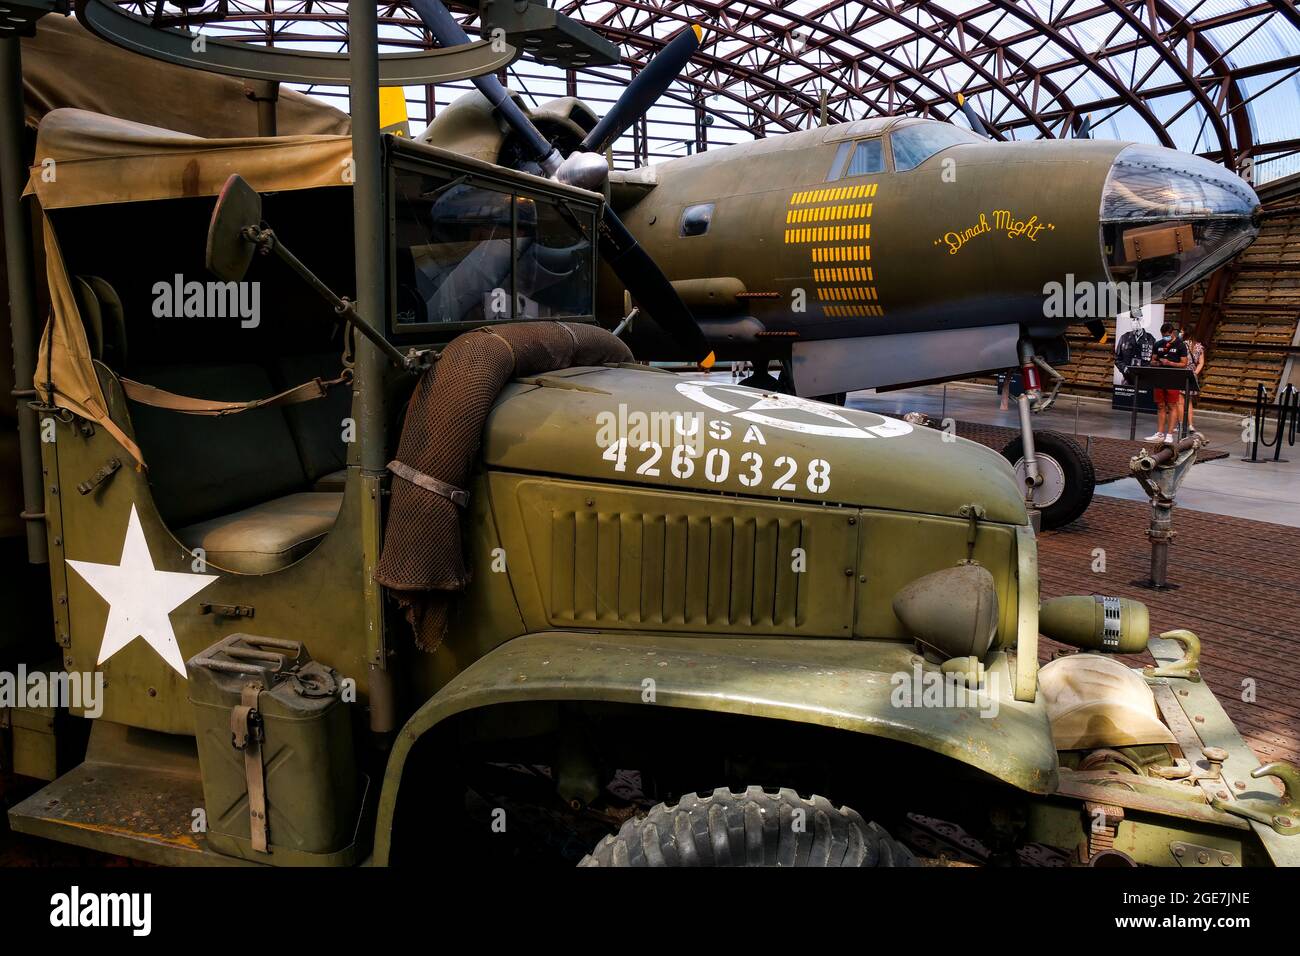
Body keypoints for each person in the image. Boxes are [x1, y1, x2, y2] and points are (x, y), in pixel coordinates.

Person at [1144, 322, 1189, 444]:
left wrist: (1170, 363)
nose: (1165, 337)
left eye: (1167, 335)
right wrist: (1158, 363)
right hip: (1159, 378)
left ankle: (1169, 434)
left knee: (1172, 405)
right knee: (1160, 406)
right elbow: (1152, 361)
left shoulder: (1180, 345)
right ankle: (1159, 433)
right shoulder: (1158, 344)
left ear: (1173, 333)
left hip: (1173, 378)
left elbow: (1184, 363)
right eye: (1163, 335)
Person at [1182, 329, 1206, 432]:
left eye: (1182, 331)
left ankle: (1181, 424)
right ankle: (1191, 425)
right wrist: (1195, 372)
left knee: (1180, 401)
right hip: (1192, 374)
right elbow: (1201, 362)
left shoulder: (1182, 344)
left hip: (1182, 373)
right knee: (1189, 401)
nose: (1181, 333)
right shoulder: (1199, 346)